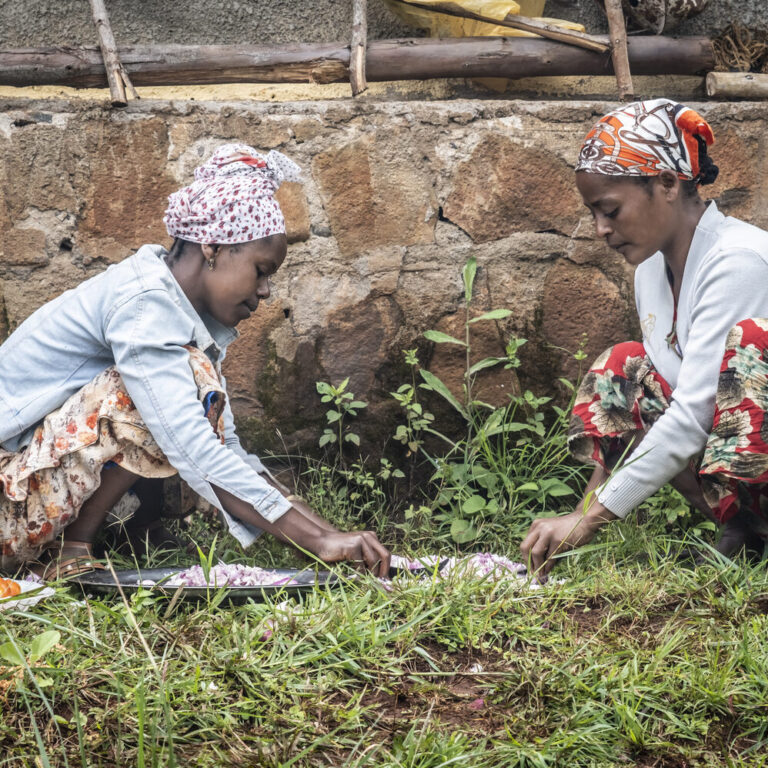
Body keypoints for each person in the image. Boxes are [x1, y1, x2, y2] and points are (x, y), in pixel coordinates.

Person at [0, 143, 391, 579]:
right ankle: (72, 550)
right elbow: (190, 444)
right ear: (213, 248)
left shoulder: (170, 307)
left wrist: (330, 537)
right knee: (136, 394)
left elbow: (226, 449)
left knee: (180, 386)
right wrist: (315, 540)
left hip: (23, 499)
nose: (265, 292)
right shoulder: (146, 306)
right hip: (5, 509)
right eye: (261, 271)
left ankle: (128, 532)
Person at [521, 99, 768, 576]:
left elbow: (692, 416)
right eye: (594, 213)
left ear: (668, 183)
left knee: (753, 343)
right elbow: (659, 412)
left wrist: (589, 521)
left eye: (610, 210)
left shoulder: (740, 260)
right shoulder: (651, 270)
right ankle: (746, 535)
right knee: (627, 369)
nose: (601, 229)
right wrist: (583, 510)